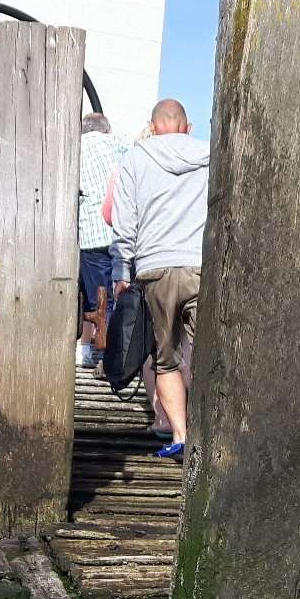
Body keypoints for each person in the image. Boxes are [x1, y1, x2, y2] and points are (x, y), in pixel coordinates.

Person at [110, 99, 210, 460]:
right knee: (205, 354)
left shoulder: (136, 158)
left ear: (153, 127)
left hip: (154, 267)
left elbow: (125, 222)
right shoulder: (210, 155)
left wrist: (121, 270)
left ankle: (181, 435)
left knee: (164, 358)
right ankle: (208, 431)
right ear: (186, 126)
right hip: (202, 265)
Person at [76, 112, 128, 368]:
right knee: (118, 294)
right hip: (120, 232)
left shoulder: (75, 147)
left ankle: (90, 352)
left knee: (92, 296)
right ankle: (113, 356)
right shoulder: (117, 143)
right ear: (107, 129)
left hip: (89, 234)